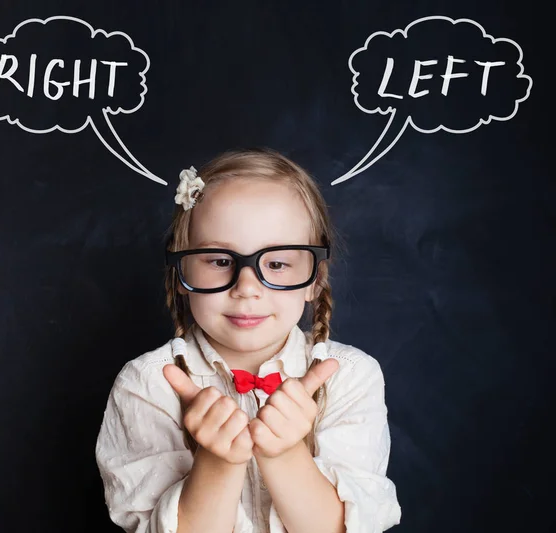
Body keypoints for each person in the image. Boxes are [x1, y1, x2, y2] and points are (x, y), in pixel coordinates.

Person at [95, 147, 402, 533]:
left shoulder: (350, 377)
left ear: (316, 278)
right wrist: (217, 462)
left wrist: (286, 453)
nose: (247, 287)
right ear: (180, 273)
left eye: (276, 263)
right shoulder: (146, 384)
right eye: (220, 261)